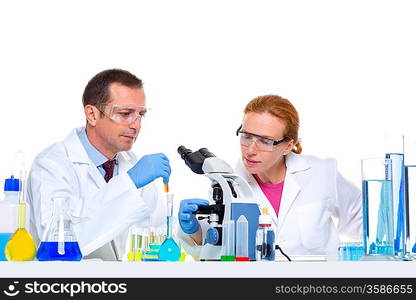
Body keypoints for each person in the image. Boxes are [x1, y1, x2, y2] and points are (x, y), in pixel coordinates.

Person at [178, 94, 362, 258]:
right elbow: (216, 245)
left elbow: (366, 225)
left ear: (288, 146)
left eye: (265, 141)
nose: (250, 150)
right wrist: (194, 230)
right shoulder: (230, 185)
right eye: (246, 136)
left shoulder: (322, 172)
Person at [27, 69, 171, 261]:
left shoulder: (132, 164)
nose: (136, 125)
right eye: (125, 113)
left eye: (140, 115)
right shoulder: (52, 165)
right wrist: (128, 183)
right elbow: (58, 243)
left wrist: (191, 231)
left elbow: (156, 233)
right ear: (92, 115)